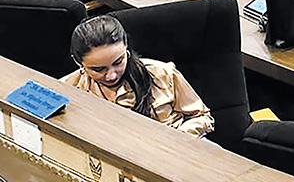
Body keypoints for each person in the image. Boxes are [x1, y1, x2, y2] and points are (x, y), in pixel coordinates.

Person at [63, 16, 213, 137]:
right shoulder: (67, 89)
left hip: (176, 151)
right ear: (78, 63)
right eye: (98, 69)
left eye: (118, 61)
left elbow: (202, 117)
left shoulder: (162, 73)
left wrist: (176, 139)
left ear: (126, 48)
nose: (111, 76)